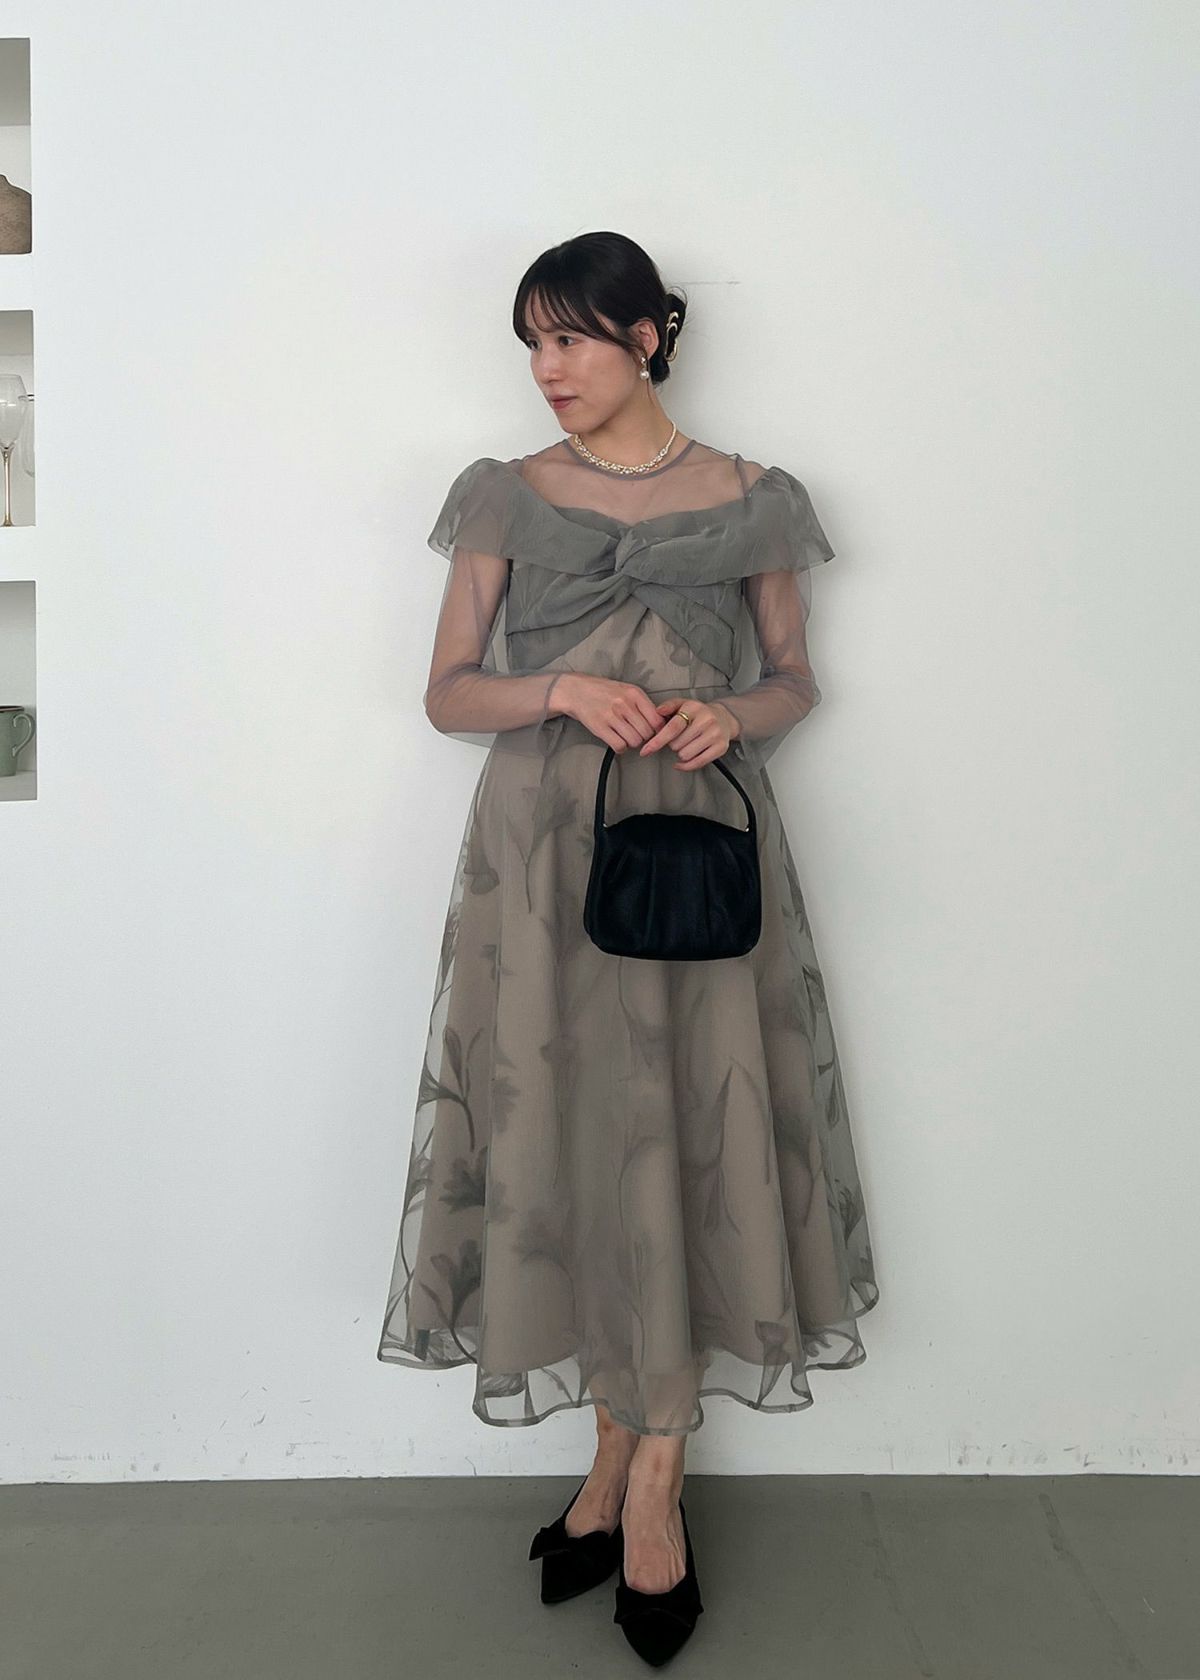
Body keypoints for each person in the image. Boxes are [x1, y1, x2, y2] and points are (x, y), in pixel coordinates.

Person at [377, 231, 879, 1663]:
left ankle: (653, 1484)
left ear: (648, 336)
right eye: (531, 344)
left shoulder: (757, 498)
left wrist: (736, 712)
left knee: (692, 1131)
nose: (547, 370)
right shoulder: (502, 494)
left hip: (697, 846)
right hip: (544, 858)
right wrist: (559, 691)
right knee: (577, 1133)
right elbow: (446, 694)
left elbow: (795, 681)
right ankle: (609, 1461)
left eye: (572, 339)